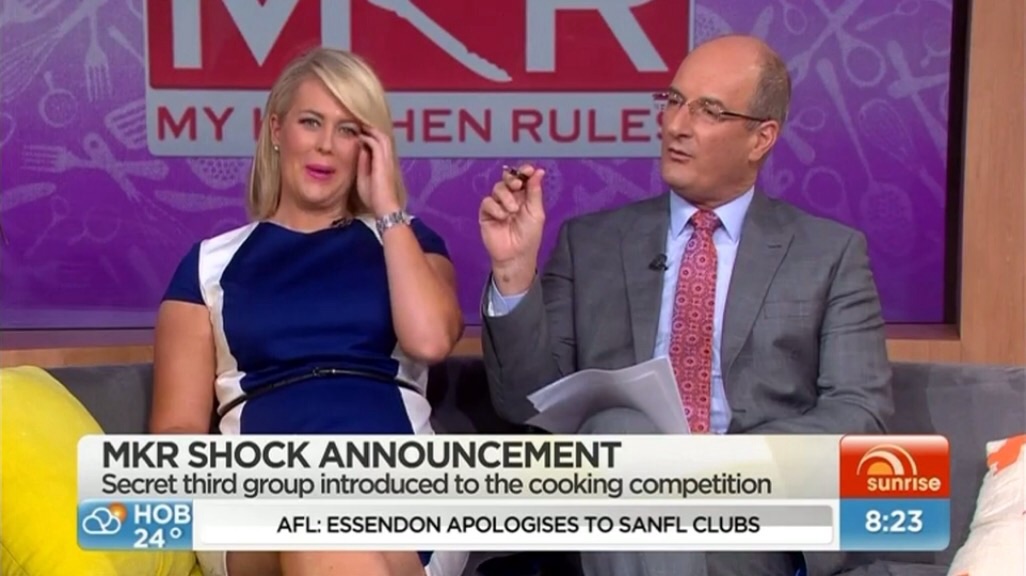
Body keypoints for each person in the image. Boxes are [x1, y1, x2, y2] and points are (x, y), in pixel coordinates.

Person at [477, 35, 893, 576]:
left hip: (752, 511)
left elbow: (860, 414)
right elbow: (523, 404)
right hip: (613, 506)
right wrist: (514, 271)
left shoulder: (829, 253)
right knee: (620, 431)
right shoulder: (591, 243)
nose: (676, 125)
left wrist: (710, 469)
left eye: (709, 111)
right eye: (673, 101)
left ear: (761, 138)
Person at [150, 48, 467, 576]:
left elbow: (431, 340)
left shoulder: (407, 241)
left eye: (348, 130)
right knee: (316, 522)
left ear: (370, 147)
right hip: (259, 498)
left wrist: (388, 208)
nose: (326, 145)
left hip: (399, 491)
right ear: (276, 129)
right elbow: (177, 430)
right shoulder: (208, 264)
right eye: (311, 122)